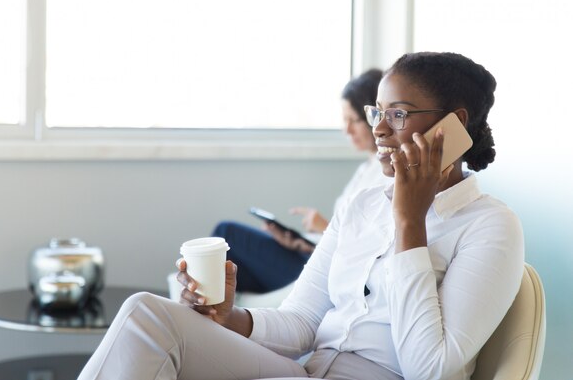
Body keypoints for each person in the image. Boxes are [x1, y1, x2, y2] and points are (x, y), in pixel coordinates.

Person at [77, 52, 524, 380]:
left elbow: (431, 370)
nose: (379, 129)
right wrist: (230, 317)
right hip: (305, 371)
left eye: (399, 114)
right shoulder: (363, 205)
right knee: (145, 314)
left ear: (453, 125)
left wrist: (411, 224)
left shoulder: (489, 226)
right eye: (377, 113)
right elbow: (303, 322)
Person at [215, 68, 390, 294]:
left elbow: (372, 251)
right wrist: (302, 243)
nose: (346, 129)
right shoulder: (366, 169)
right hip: (316, 256)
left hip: (333, 273)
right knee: (232, 274)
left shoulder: (386, 175)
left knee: (227, 233)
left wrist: (326, 229)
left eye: (353, 120)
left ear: (373, 117)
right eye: (343, 120)